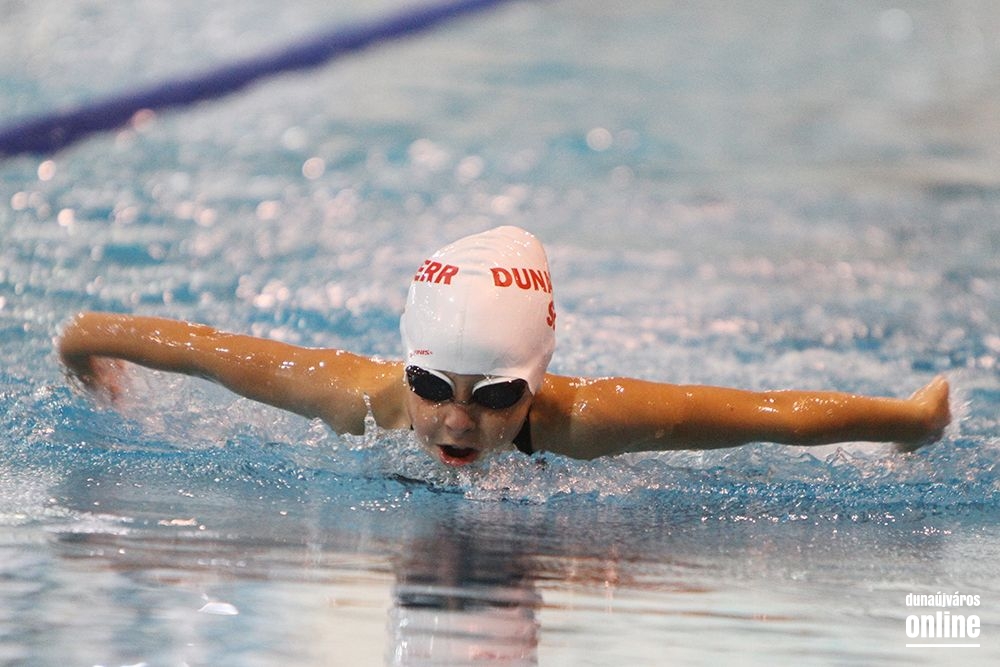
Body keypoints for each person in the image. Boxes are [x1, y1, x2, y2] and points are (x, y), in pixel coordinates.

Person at [58, 226, 951, 467]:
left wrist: (908, 421)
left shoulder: (587, 420)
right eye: (431, 385)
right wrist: (83, 347)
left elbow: (771, 416)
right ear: (404, 365)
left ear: (534, 385)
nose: (457, 419)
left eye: (492, 396)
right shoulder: (354, 395)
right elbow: (202, 347)